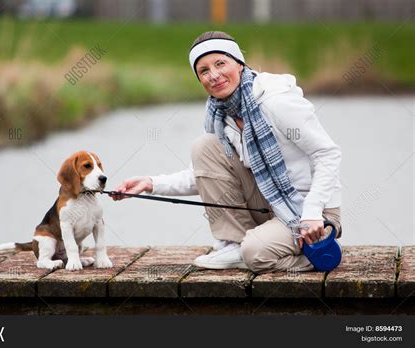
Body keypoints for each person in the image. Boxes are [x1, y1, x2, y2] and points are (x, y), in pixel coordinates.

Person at [110, 31, 342, 274]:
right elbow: (203, 175)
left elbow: (327, 154)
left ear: (239, 64)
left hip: (310, 210)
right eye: (204, 70)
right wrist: (149, 183)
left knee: (255, 254)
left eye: (221, 63)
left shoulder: (277, 102)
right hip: (268, 202)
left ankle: (308, 257)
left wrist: (314, 213)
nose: (214, 75)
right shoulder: (219, 115)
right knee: (204, 146)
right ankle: (235, 244)